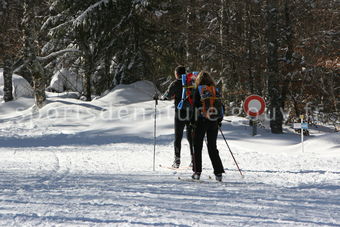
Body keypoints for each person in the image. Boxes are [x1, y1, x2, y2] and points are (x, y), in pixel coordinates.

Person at [190, 71, 225, 181]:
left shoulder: (198, 90)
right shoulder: (215, 90)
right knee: (212, 147)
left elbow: (195, 107)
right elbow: (221, 107)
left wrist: (192, 122)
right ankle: (218, 173)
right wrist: (219, 120)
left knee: (197, 146)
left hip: (201, 121)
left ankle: (197, 172)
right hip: (213, 121)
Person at [161, 65, 193, 168]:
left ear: (177, 74)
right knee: (191, 137)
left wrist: (161, 97)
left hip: (180, 113)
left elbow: (167, 95)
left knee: (178, 137)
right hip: (191, 113)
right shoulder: (190, 83)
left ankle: (177, 161)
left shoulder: (175, 83)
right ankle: (194, 160)